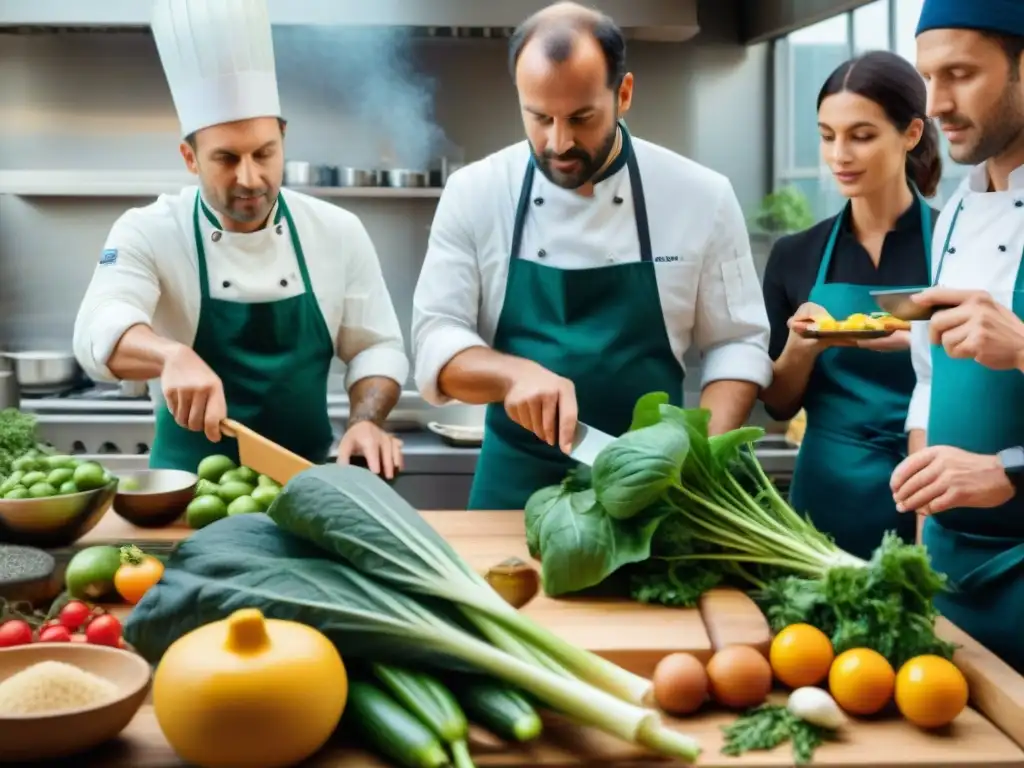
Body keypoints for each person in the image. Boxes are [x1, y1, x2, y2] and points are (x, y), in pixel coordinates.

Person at [410, 2, 772, 511]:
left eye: (581, 118)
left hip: (654, 489)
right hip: (513, 488)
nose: (559, 142)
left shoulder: (701, 196)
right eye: (539, 118)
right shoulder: (475, 192)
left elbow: (738, 344)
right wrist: (514, 375)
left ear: (623, 94)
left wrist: (697, 459)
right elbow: (435, 341)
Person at [72, 0, 409, 479]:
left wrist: (366, 421)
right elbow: (96, 331)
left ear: (283, 139)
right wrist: (170, 354)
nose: (250, 178)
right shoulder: (148, 229)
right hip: (187, 495)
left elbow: (376, 347)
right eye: (226, 158)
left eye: (264, 153)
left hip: (308, 488)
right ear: (190, 158)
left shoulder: (336, 230)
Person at [760, 51, 942, 560]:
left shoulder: (957, 245)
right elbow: (778, 404)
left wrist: (922, 342)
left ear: (910, 134)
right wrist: (802, 348)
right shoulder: (796, 255)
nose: (839, 154)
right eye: (826, 135)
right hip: (824, 504)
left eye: (861, 135)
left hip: (928, 488)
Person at [889, 0, 1024, 672]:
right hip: (944, 578)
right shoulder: (953, 220)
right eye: (928, 77)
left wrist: (1009, 471)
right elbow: (930, 383)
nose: (935, 104)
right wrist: (919, 539)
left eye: (961, 74)